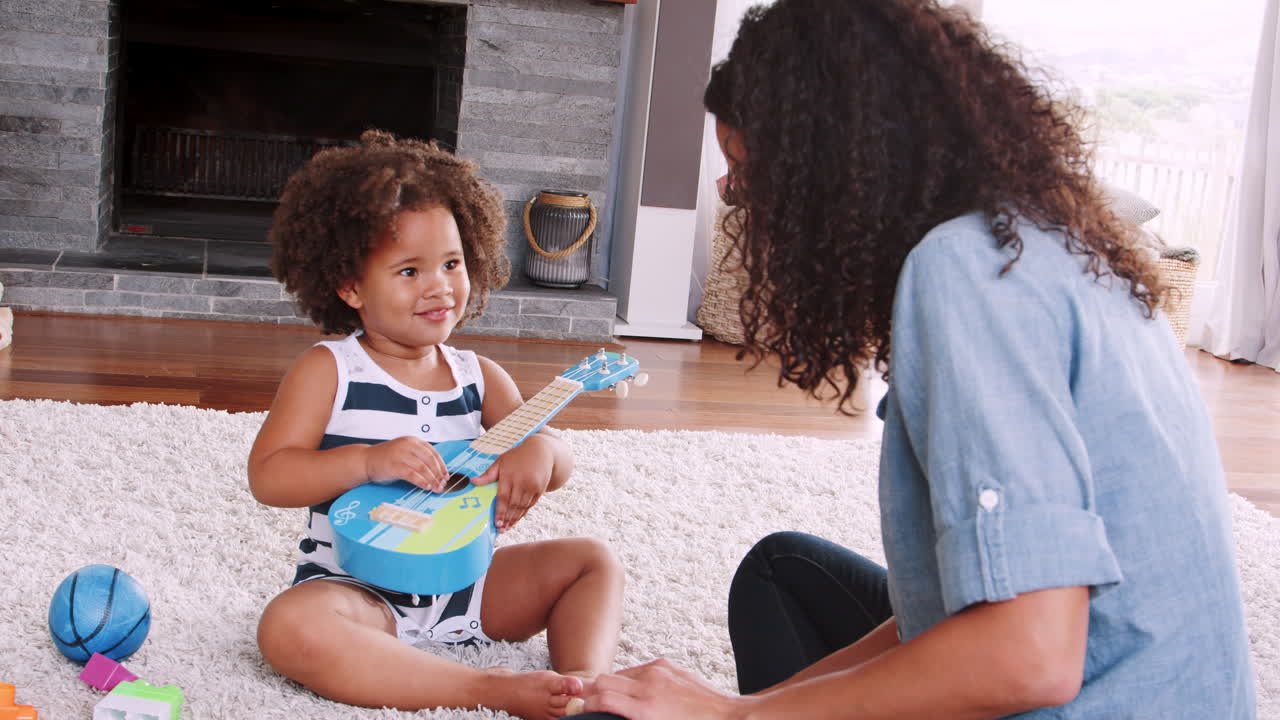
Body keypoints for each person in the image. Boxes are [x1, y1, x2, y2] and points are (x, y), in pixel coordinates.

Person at [574, 0, 1256, 718]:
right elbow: (968, 613)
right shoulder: (1053, 244)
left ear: (829, 165)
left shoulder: (968, 271)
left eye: (745, 171)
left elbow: (1029, 657)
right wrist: (758, 707)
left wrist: (731, 716)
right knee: (783, 572)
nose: (734, 196)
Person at [248, 129, 624, 720]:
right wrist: (366, 461)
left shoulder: (480, 377)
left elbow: (552, 453)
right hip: (355, 590)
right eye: (409, 271)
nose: (439, 286)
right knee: (289, 627)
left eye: (452, 263)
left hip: (469, 583)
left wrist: (542, 456)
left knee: (593, 560)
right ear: (350, 286)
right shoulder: (329, 370)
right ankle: (488, 689)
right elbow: (269, 476)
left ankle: (584, 687)